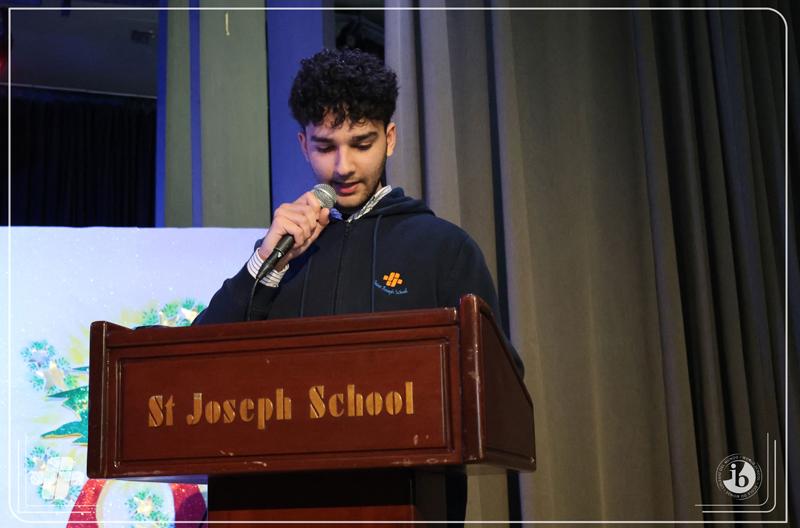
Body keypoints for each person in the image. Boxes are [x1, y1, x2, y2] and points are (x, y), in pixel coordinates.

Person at [194, 47, 522, 522]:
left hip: (404, 504)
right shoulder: (283, 252)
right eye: (325, 146)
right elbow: (196, 368)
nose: (343, 166)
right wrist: (265, 259)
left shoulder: (442, 248)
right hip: (273, 505)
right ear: (303, 144)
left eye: (361, 144)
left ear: (390, 139)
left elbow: (497, 385)